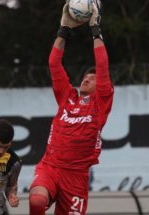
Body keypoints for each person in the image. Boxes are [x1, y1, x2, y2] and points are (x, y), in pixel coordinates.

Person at [28, 0, 114, 214]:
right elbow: (53, 64)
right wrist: (64, 29)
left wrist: (95, 30)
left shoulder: (100, 102)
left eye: (92, 79)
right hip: (50, 166)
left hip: (76, 177)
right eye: (85, 76)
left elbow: (103, 66)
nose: (86, 79)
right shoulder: (67, 97)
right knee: (37, 201)